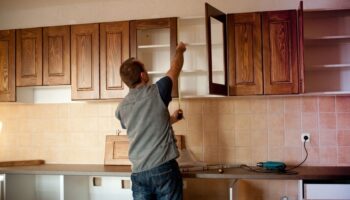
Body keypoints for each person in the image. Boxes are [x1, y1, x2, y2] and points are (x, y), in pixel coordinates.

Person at [115, 42, 186, 200]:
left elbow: (143, 125)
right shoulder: (158, 91)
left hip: (139, 174)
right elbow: (175, 69)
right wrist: (180, 50)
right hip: (164, 170)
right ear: (142, 75)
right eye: (145, 69)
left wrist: (172, 119)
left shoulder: (121, 109)